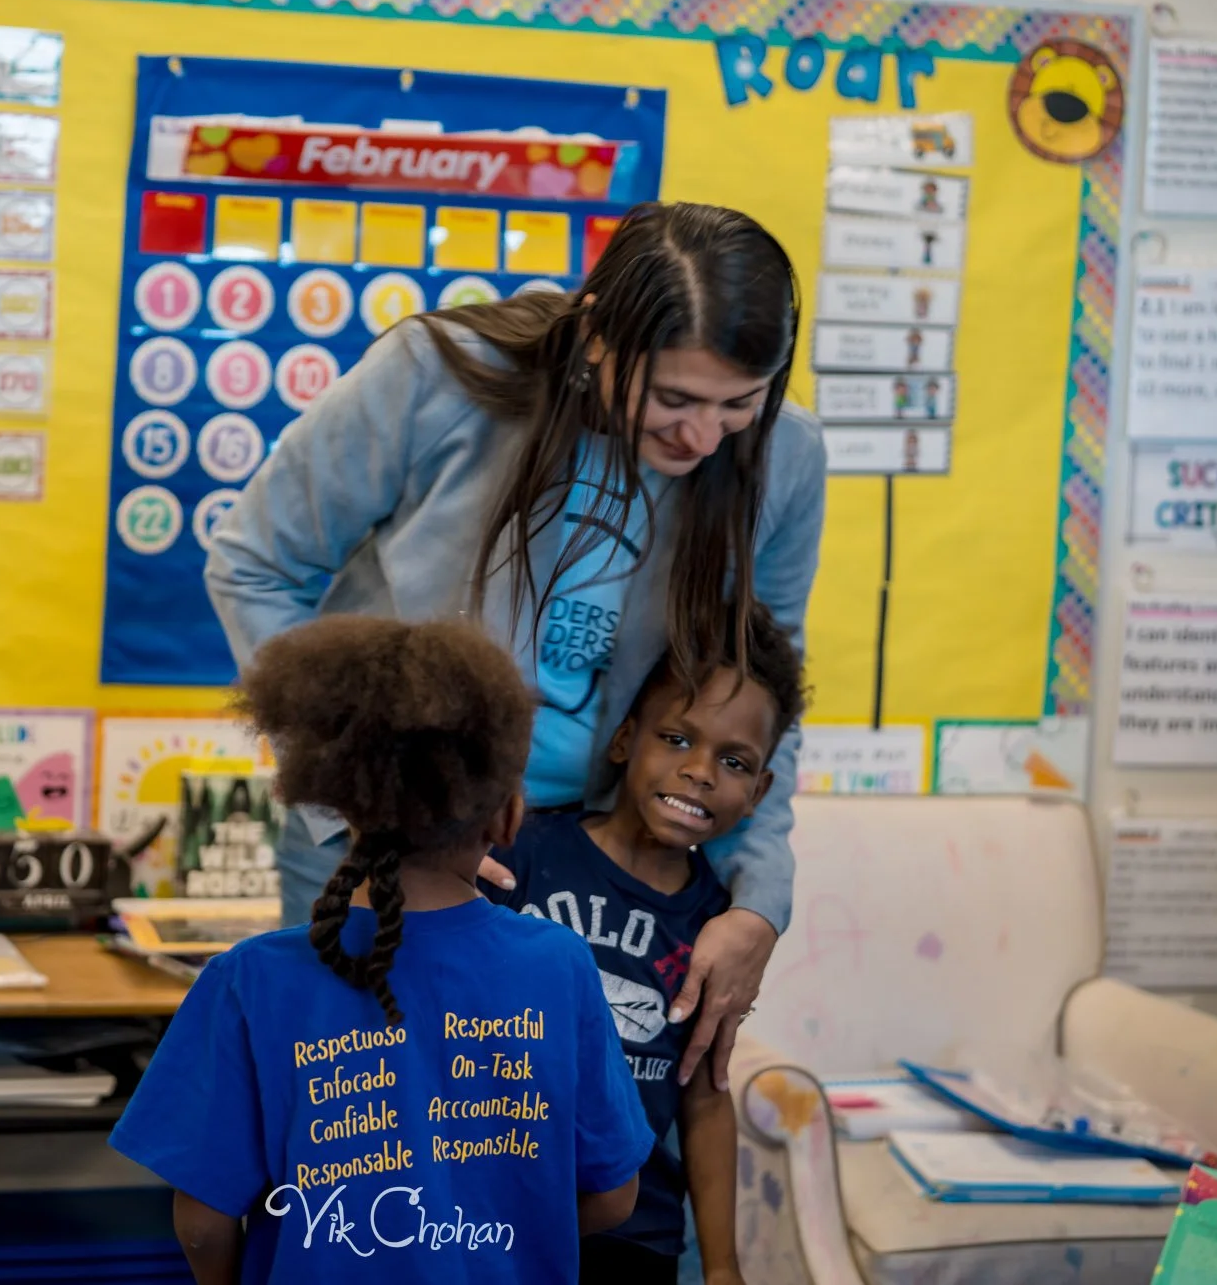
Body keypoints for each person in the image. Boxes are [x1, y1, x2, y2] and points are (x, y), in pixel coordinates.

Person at [206, 201, 825, 1091]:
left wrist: (758, 897)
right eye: (675, 398)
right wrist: (356, 814)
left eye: (739, 404)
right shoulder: (442, 376)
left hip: (606, 862)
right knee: (356, 1140)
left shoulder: (786, 456)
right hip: (389, 839)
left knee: (572, 1173)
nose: (700, 437)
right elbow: (256, 564)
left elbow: (764, 694)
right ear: (597, 338)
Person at [110, 616, 654, 1284]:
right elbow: (613, 1195)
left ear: (339, 802)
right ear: (508, 815)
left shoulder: (246, 980)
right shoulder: (560, 965)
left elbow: (201, 1221)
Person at [487, 605, 807, 1285]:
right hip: (493, 1208)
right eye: (675, 737)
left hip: (635, 1236)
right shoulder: (523, 852)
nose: (699, 771)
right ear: (624, 739)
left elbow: (706, 1092)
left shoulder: (718, 926)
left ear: (759, 792)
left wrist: (721, 1265)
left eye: (733, 760)